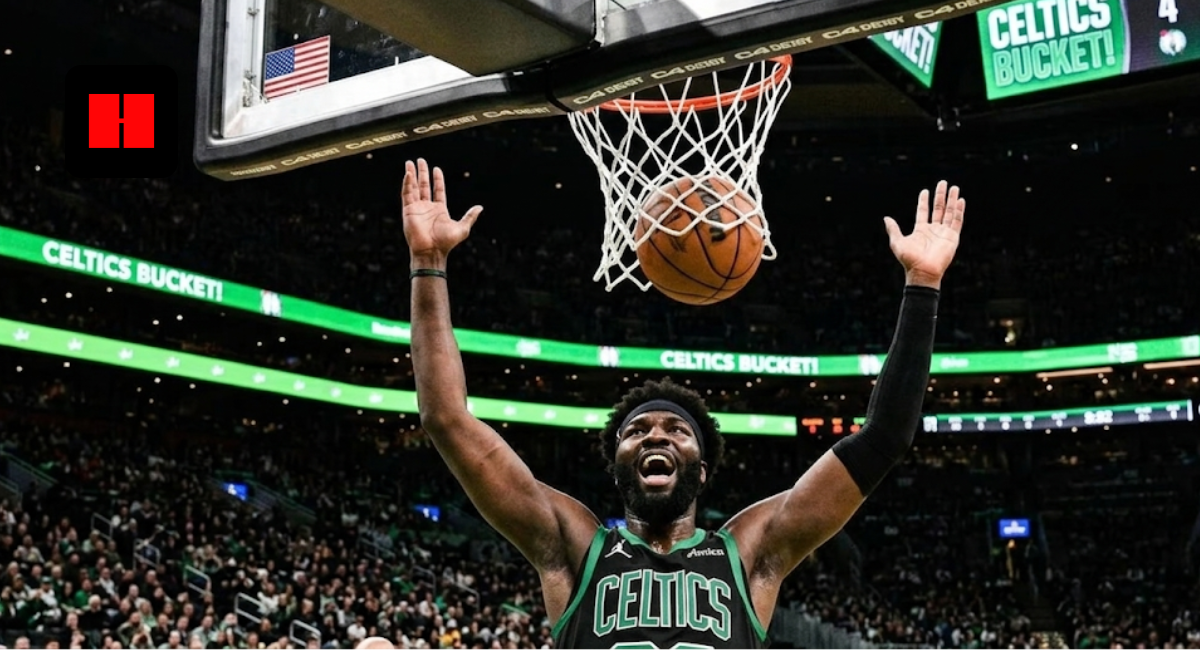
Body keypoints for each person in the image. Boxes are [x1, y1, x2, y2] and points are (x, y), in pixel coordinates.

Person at [387, 159, 966, 649]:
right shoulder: (574, 546)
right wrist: (428, 265)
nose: (656, 435)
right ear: (616, 462)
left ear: (703, 466)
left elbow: (884, 438)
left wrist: (922, 284)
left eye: (675, 430)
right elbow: (447, 419)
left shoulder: (750, 552)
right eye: (637, 431)